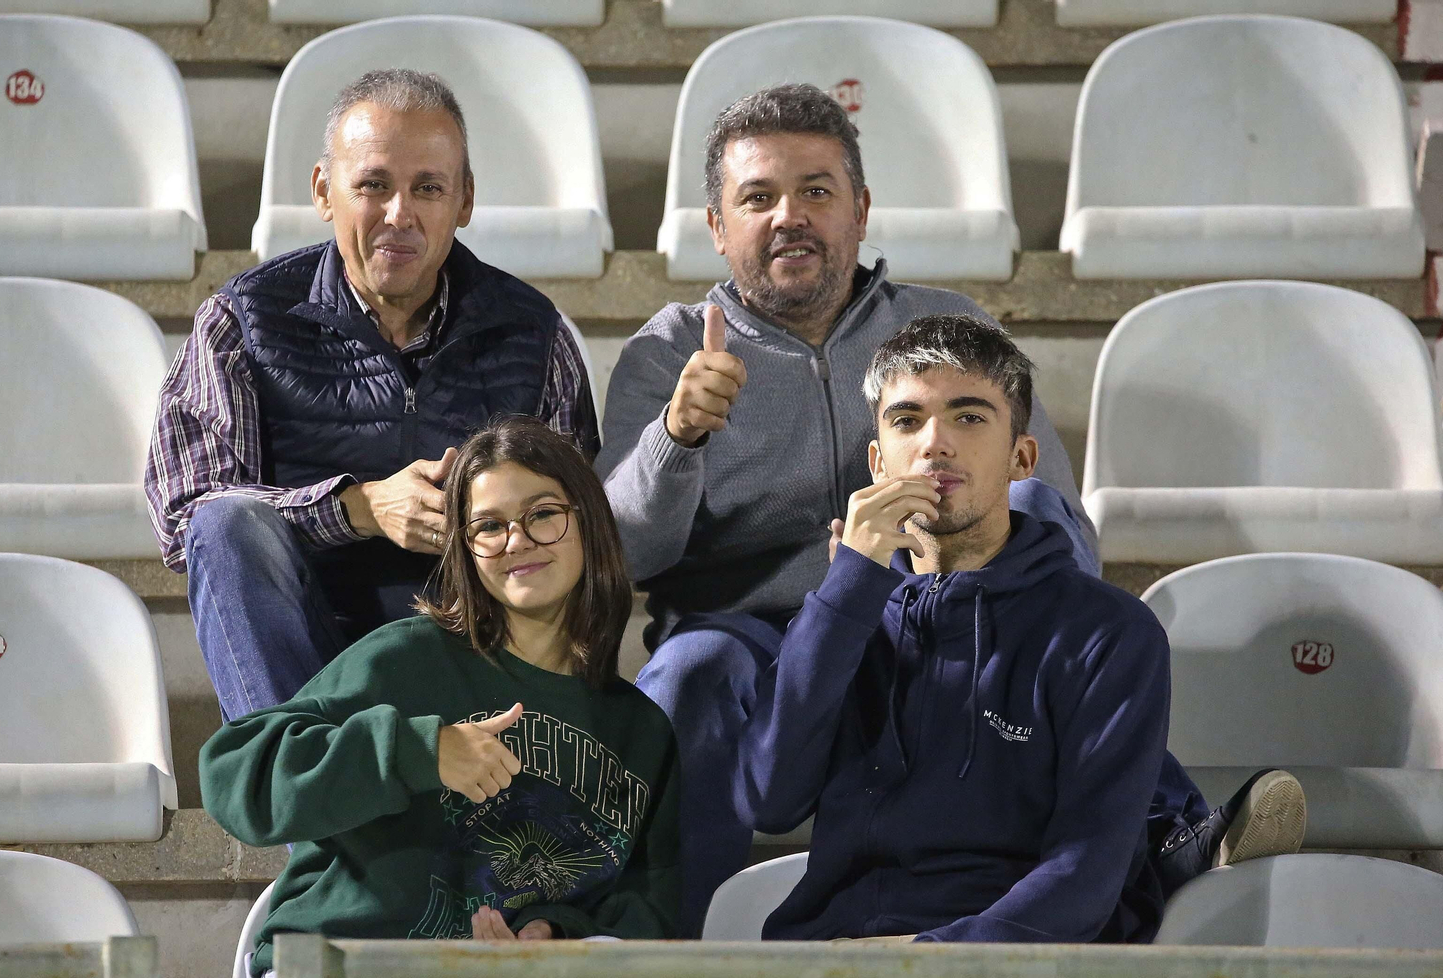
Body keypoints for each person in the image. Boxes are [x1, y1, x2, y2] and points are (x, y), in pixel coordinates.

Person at [596, 82, 1094, 931]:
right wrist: (677, 436)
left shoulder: (949, 325)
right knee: (684, 675)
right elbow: (622, 558)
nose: (790, 216)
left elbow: (1057, 518)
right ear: (717, 227)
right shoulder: (668, 353)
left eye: (816, 192)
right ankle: (662, 943)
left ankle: (1162, 833)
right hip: (746, 642)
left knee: (1074, 602)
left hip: (928, 620)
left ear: (859, 211)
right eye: (758, 197)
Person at [733, 315, 1305, 942]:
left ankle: (1176, 843)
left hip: (999, 961)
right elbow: (768, 799)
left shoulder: (1108, 633)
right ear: (876, 462)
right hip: (833, 954)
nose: (935, 444)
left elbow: (1084, 872)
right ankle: (1181, 848)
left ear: (1021, 457)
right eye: (906, 420)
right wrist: (847, 588)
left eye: (969, 417)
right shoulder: (844, 619)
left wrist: (933, 959)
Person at [146, 69, 599, 723]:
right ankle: (301, 786)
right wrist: (359, 508)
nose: (399, 214)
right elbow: (186, 521)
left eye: (428, 188)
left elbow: (575, 537)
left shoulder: (533, 332)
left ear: (465, 201)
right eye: (374, 185)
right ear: (324, 191)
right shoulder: (243, 322)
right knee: (226, 524)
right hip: (308, 662)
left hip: (474, 654)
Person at [201, 418, 679, 977]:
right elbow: (234, 775)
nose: (517, 540)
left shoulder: (642, 732)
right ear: (467, 552)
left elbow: (647, 918)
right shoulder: (408, 658)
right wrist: (417, 752)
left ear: (591, 524)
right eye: (488, 527)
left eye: (543, 514)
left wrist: (555, 934)